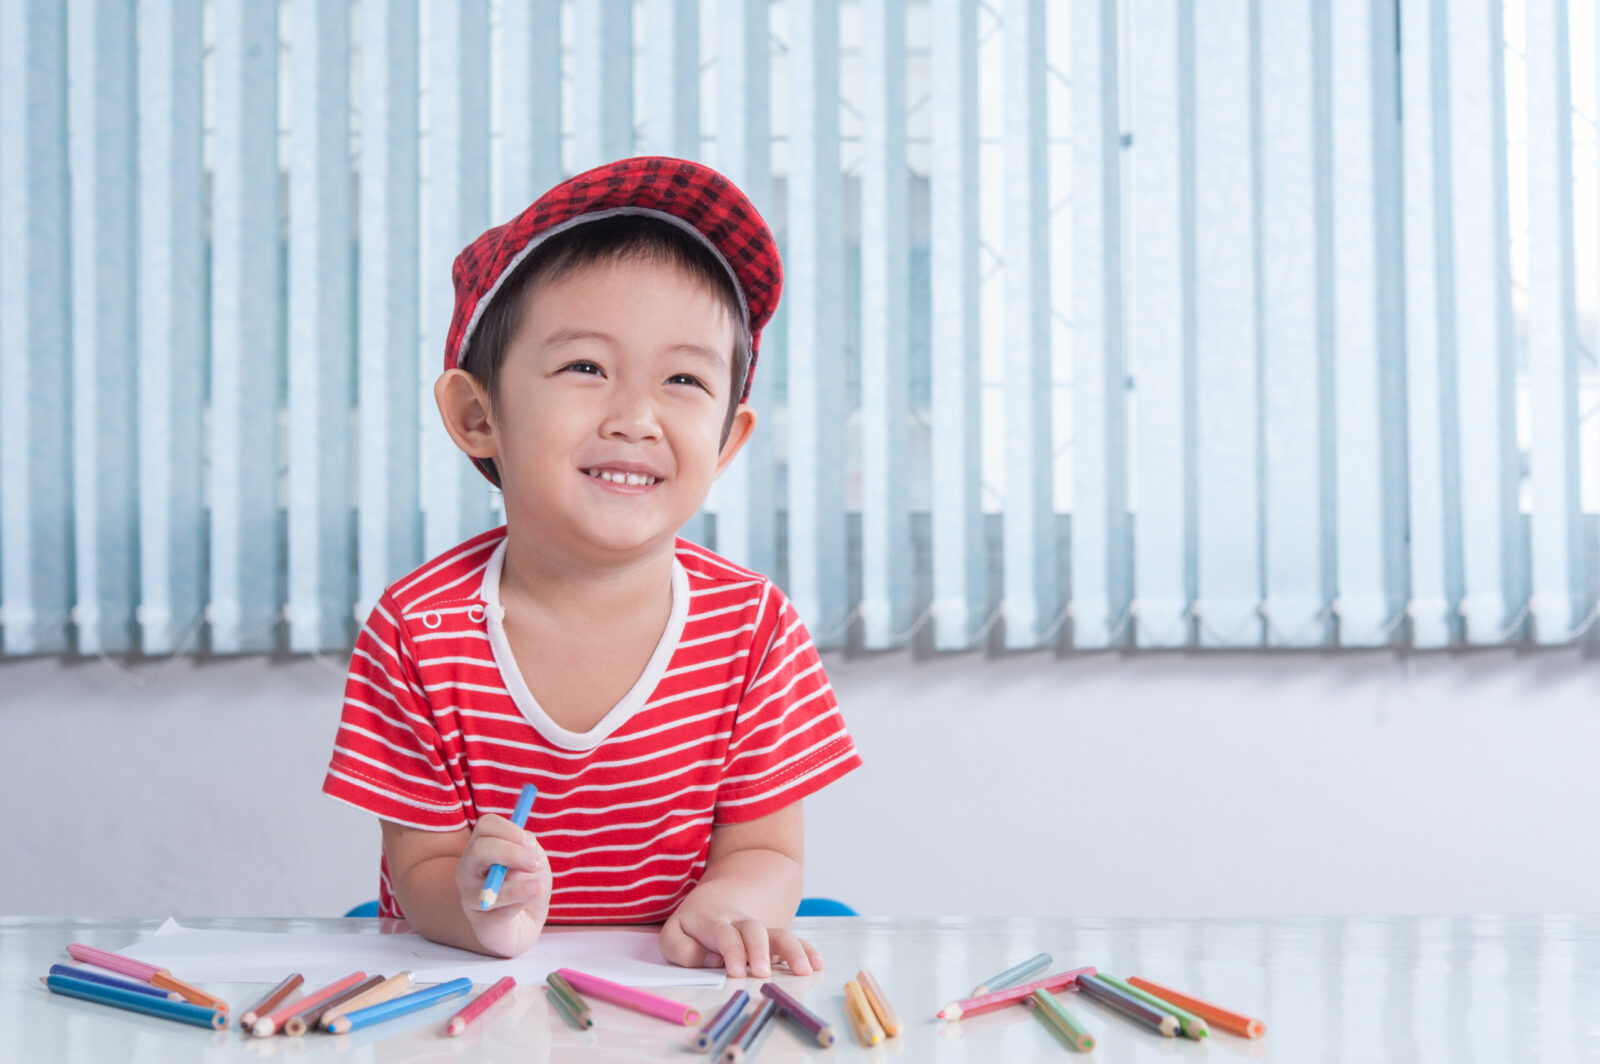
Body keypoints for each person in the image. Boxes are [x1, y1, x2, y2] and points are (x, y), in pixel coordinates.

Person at [323, 157, 862, 978]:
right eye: (586, 368)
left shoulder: (754, 627)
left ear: (728, 441)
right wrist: (475, 910)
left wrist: (729, 905)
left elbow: (766, 849)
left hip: (675, 1000)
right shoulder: (417, 629)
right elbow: (421, 866)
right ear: (477, 415)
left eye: (683, 379)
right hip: (475, 998)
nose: (636, 418)